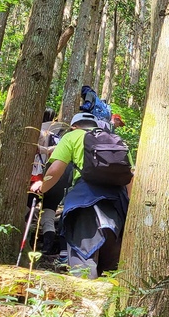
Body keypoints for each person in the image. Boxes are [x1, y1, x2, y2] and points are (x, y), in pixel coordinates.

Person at [30, 112, 132, 278]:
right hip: (116, 206)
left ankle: (84, 300)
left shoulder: (71, 137)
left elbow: (56, 169)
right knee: (111, 268)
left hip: (85, 203)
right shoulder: (116, 140)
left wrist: (43, 186)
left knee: (83, 259)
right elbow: (130, 178)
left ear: (74, 126)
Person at [29, 109, 71, 254]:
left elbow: (33, 151)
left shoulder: (37, 132)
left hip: (37, 176)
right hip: (58, 179)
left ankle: (27, 243)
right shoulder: (60, 138)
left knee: (28, 209)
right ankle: (47, 248)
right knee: (49, 212)